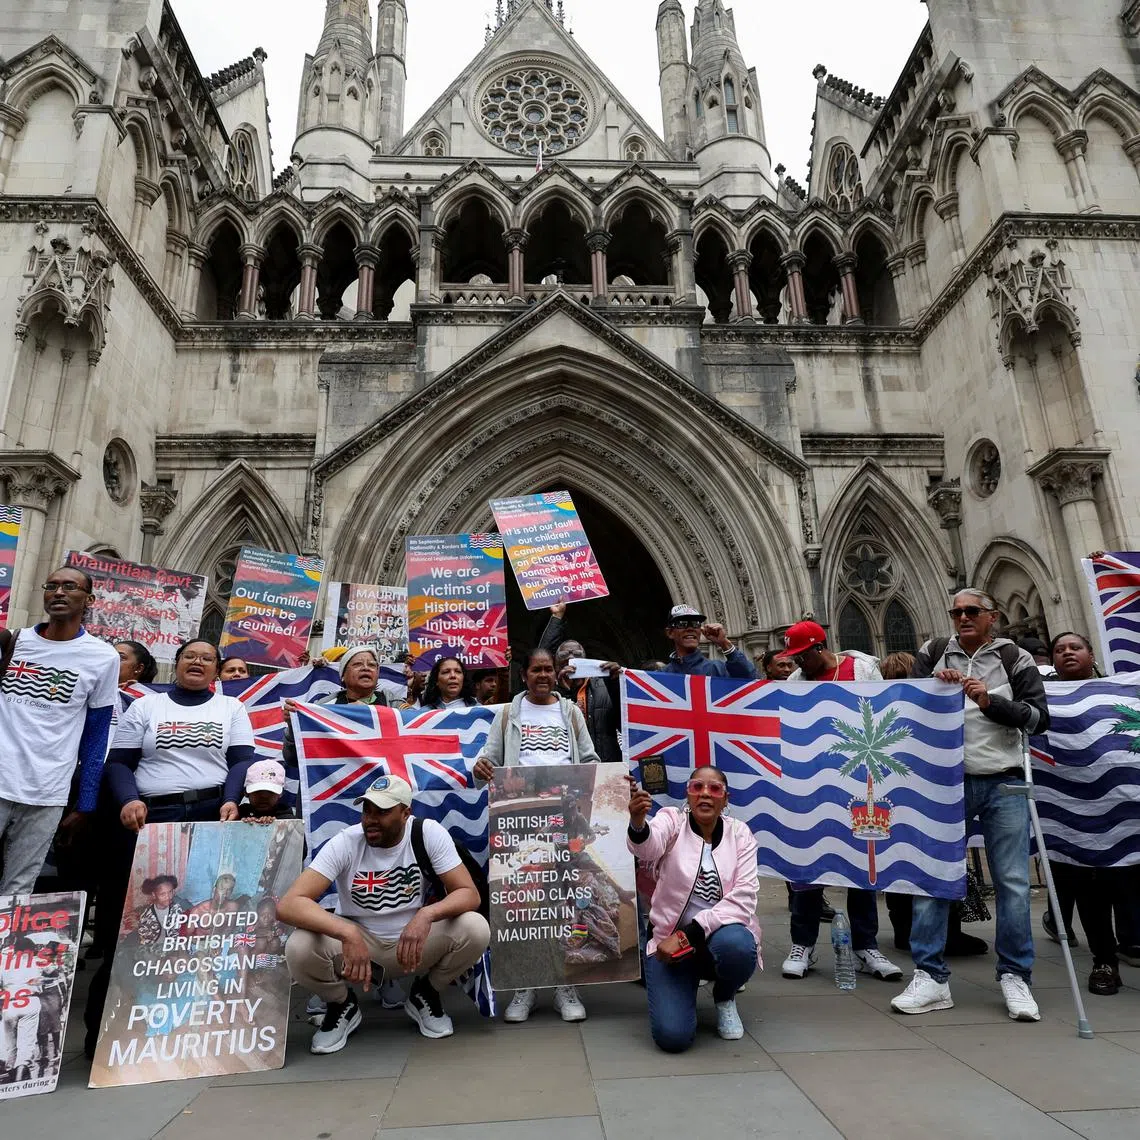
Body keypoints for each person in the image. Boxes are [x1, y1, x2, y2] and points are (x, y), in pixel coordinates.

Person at [83, 638, 256, 1054]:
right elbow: (119, 763)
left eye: (207, 658)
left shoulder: (230, 709)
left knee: (201, 924)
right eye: (189, 657)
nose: (197, 662)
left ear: (217, 670)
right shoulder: (147, 707)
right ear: (175, 665)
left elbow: (241, 761)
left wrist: (233, 798)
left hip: (211, 815)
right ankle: (104, 1030)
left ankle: (199, 1023)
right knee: (128, 924)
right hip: (150, 820)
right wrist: (128, 800)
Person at [891, 588, 1049, 1022]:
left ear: (991, 617)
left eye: (971, 611)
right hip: (945, 783)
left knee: (1014, 881)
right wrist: (931, 690)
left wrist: (989, 701)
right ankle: (930, 977)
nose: (962, 617)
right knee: (933, 880)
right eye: (956, 611)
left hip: (1003, 781)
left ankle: (1015, 976)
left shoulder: (1015, 658)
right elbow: (908, 708)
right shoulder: (934, 651)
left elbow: (1038, 719)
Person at [280, 774, 490, 1051]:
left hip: (413, 944)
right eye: (367, 810)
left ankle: (426, 994)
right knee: (299, 946)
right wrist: (347, 931)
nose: (370, 819)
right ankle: (341, 1004)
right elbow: (289, 903)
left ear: (405, 813)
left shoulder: (427, 833)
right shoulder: (346, 841)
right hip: (359, 950)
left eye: (382, 811)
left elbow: (468, 893)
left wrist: (427, 915)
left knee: (476, 928)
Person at [472, 647, 600, 1023]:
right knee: (524, 901)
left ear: (556, 673)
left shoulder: (571, 713)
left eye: (549, 669)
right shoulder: (509, 714)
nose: (543, 675)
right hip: (519, 819)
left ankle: (564, 985)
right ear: (524, 675)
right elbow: (490, 757)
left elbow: (590, 760)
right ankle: (524, 985)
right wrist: (483, 766)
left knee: (562, 901)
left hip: (565, 818)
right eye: (536, 669)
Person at [775, 621, 902, 982]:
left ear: (820, 647)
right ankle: (803, 943)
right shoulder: (795, 682)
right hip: (812, 785)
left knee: (863, 863)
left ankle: (866, 945)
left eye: (801, 654)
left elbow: (885, 715)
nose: (798, 662)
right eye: (793, 656)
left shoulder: (862, 671)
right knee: (806, 867)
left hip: (861, 782)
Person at [0, 566, 119, 896]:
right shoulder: (14, 641)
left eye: (70, 586)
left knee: (19, 886)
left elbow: (96, 735)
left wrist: (85, 803)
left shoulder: (102, 657)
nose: (59, 592)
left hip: (47, 791)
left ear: (89, 599)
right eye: (51, 586)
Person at [628, 766, 762, 1052]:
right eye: (697, 787)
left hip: (716, 938)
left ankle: (724, 996)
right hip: (669, 943)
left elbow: (744, 898)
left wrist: (691, 933)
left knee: (738, 944)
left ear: (726, 799)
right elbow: (647, 848)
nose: (705, 794)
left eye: (714, 789)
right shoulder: (671, 821)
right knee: (672, 1038)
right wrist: (639, 823)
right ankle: (684, 983)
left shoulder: (741, 835)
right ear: (687, 794)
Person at [1040, 632, 1139, 995]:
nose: (1067, 653)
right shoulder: (1041, 698)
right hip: (1074, 815)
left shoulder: (1124, 692)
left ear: (1090, 653)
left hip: (1126, 813)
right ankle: (1103, 962)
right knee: (1089, 893)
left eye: (1074, 647)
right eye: (1059, 650)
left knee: (1127, 887)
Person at [662, 604, 756, 678]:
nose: (690, 628)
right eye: (682, 624)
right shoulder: (660, 676)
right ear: (670, 632)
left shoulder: (718, 669)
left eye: (696, 624)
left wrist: (724, 643)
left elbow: (751, 680)